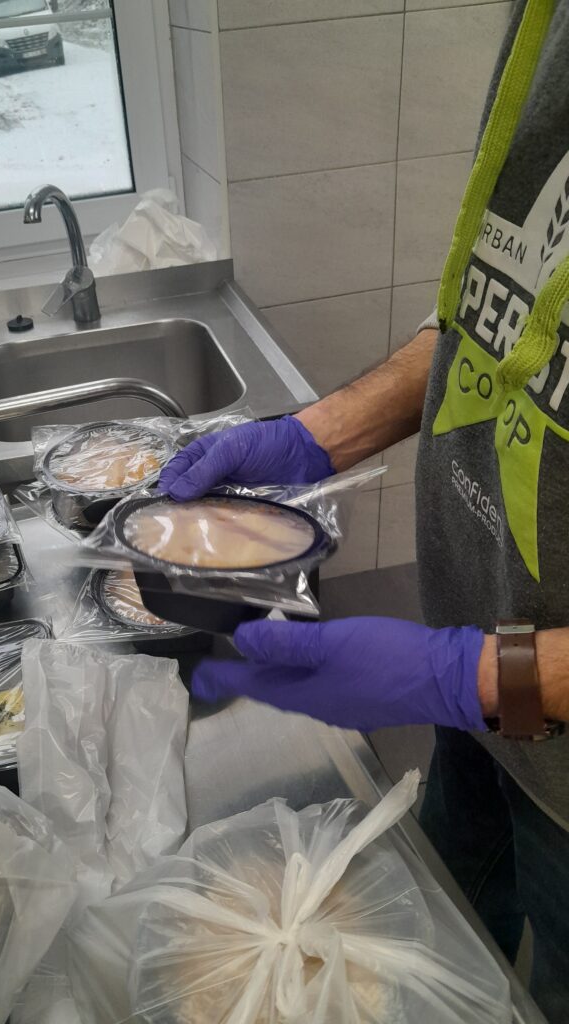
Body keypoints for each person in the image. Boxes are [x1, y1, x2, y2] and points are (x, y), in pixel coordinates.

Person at [158, 1, 569, 1019]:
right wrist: (316, 436)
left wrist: (471, 675)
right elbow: (495, 325)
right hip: (478, 705)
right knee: (429, 959)